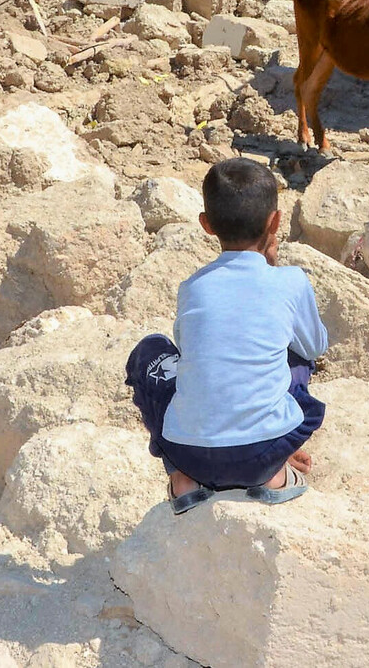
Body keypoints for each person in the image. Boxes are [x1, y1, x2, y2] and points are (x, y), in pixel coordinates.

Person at [125, 157, 329, 515]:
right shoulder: (290, 281)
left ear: (206, 225)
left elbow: (190, 356)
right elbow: (314, 347)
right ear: (276, 221)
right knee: (295, 354)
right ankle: (274, 476)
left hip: (189, 453)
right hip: (264, 453)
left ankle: (181, 479)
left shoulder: (193, 287)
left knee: (151, 350)